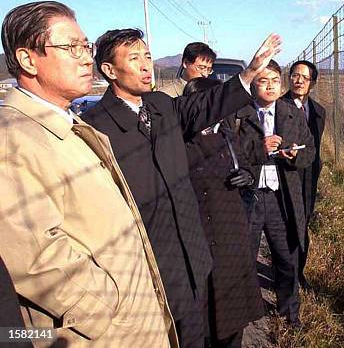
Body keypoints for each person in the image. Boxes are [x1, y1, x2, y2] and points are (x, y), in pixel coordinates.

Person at [81, 28, 280, 347]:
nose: (146, 65)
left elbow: (206, 105)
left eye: (147, 56)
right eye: (134, 59)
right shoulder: (95, 127)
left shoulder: (160, 105)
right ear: (108, 70)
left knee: (200, 332)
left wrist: (250, 72)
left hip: (193, 253)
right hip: (149, 263)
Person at [0, 1, 177, 347]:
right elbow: (32, 255)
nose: (85, 58)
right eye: (72, 47)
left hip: (130, 322)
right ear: (27, 59)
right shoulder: (13, 137)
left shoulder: (68, 123)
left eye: (86, 46)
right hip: (100, 333)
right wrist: (104, 306)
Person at [183, 77, 264, 348]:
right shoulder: (179, 143)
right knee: (202, 322)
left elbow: (248, 166)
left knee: (232, 318)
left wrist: (247, 176)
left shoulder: (228, 137)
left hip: (231, 240)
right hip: (199, 240)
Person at [235, 59, 314, 327]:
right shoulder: (239, 115)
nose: (270, 86)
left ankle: (289, 314)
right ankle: (245, 313)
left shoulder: (290, 113)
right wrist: (259, 147)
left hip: (282, 199)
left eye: (275, 81)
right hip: (249, 197)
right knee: (245, 258)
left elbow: (310, 153)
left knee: (287, 257)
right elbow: (229, 154)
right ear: (252, 84)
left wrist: (294, 156)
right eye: (263, 80)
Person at [281, 60, 326, 290]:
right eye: (295, 76)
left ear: (313, 83)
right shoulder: (279, 107)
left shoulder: (319, 112)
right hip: (287, 177)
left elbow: (315, 148)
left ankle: (299, 273)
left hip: (309, 178)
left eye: (305, 78)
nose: (298, 81)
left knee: (304, 223)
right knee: (287, 225)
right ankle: (286, 276)